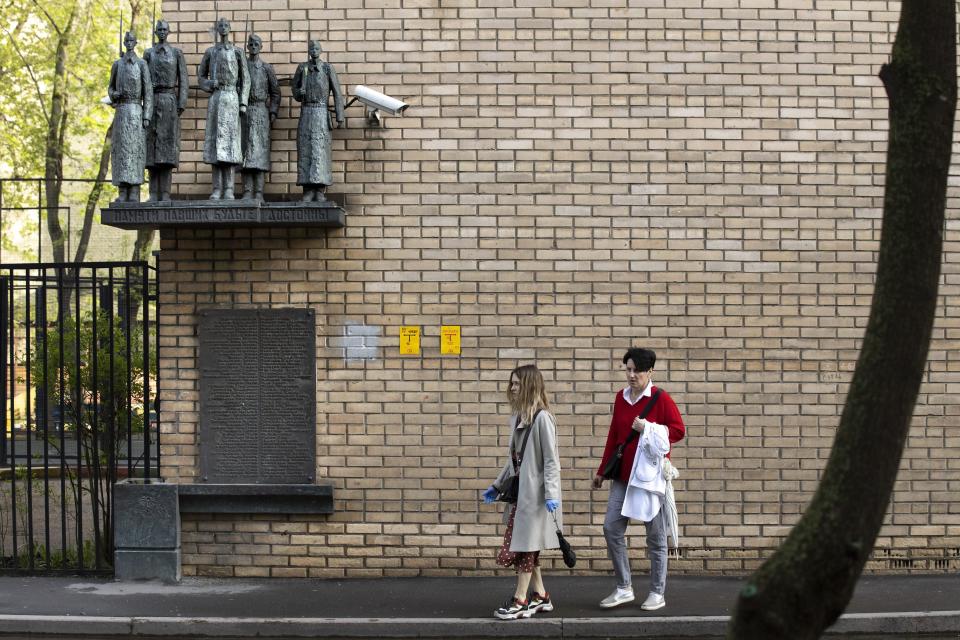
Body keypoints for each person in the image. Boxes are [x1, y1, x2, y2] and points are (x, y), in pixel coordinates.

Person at [592, 347, 685, 611]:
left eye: (637, 370)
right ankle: (624, 588)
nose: (631, 375)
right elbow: (614, 436)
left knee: (655, 537)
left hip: (649, 479)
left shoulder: (660, 399)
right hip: (622, 476)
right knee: (611, 528)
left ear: (650, 372)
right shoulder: (621, 398)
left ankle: (657, 592)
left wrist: (650, 428)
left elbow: (678, 431)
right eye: (628, 370)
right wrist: (602, 471)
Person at [481, 365, 562, 620]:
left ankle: (520, 599)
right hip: (522, 496)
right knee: (528, 545)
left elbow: (551, 461)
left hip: (537, 497)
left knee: (524, 548)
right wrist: (496, 486)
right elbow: (512, 460)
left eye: (516, 384)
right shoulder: (519, 418)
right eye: (512, 384)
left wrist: (551, 495)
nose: (512, 388)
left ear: (529, 385)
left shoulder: (542, 419)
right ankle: (540, 596)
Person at [197, 18, 250, 200]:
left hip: (231, 99)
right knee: (215, 146)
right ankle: (217, 188)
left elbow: (245, 79)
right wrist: (209, 84)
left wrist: (243, 102)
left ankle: (229, 188)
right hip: (216, 98)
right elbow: (201, 77)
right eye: (220, 26)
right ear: (217, 29)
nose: (223, 29)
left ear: (230, 29)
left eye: (226, 26)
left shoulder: (237, 51)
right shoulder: (211, 52)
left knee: (230, 146)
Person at [292, 40, 345, 202]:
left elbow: (336, 92)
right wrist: (299, 93)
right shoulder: (302, 68)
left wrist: (339, 114)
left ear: (320, 50)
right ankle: (307, 189)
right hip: (307, 112)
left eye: (316, 48)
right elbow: (294, 90)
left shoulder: (327, 69)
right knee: (306, 150)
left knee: (321, 152)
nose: (313, 50)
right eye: (311, 48)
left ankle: (320, 189)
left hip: (321, 113)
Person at [143, 20, 188, 202]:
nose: (162, 32)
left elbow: (183, 80)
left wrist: (181, 103)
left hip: (170, 102)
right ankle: (153, 193)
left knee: (167, 150)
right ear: (155, 32)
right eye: (159, 29)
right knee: (152, 149)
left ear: (169, 31)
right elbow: (142, 79)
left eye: (164, 29)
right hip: (152, 101)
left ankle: (166, 193)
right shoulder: (148, 54)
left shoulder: (176, 53)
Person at [108, 31, 153, 203]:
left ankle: (134, 191)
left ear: (136, 42)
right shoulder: (117, 64)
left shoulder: (141, 64)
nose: (128, 43)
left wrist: (147, 115)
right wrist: (114, 94)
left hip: (136, 111)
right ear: (123, 42)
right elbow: (110, 88)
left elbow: (148, 91)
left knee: (135, 151)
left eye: (131, 40)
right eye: (126, 40)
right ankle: (122, 191)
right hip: (121, 111)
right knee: (121, 151)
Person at [240, 34, 280, 202]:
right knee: (245, 153)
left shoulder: (266, 68)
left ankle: (258, 192)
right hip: (245, 112)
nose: (253, 46)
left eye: (256, 44)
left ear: (261, 46)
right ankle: (247, 191)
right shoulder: (242, 67)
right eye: (251, 44)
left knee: (260, 154)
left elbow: (276, 93)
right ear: (247, 47)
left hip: (261, 111)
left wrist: (272, 112)